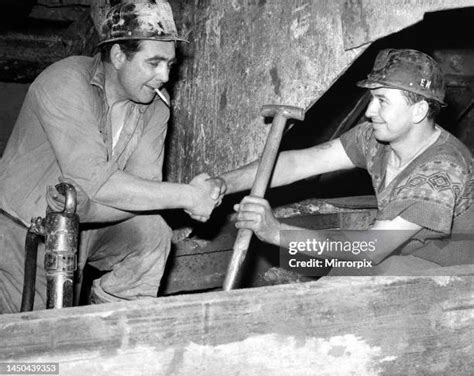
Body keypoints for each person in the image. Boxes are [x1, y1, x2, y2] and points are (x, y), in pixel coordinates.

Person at [0, 0, 225, 313]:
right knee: (31, 348)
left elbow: (143, 190)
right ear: (119, 55)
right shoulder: (64, 81)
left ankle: (113, 322)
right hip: (19, 232)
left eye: (169, 65)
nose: (164, 75)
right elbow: (94, 180)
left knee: (152, 232)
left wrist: (92, 206)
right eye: (154, 62)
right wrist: (189, 195)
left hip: (82, 226)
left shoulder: (156, 105)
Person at [222, 48, 473, 274]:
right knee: (342, 278)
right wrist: (221, 184)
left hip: (455, 279)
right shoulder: (376, 137)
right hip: (401, 258)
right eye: (372, 98)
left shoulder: (442, 170)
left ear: (418, 111)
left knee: (368, 275)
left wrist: (276, 232)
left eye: (382, 101)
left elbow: (371, 249)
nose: (369, 111)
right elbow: (299, 163)